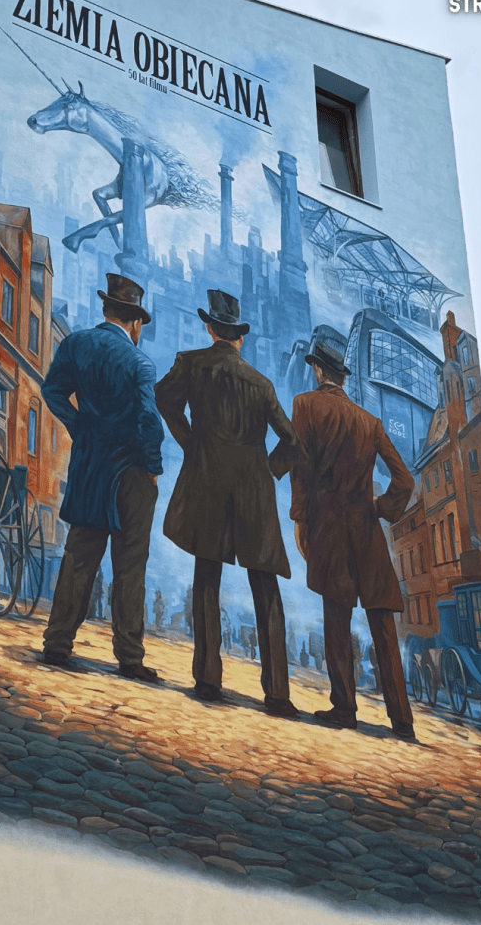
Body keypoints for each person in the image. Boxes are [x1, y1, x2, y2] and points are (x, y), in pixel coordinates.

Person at [155, 289, 299, 718]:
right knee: (266, 585)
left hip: (208, 482)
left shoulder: (191, 363)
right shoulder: (261, 383)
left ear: (210, 329)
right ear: (239, 337)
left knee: (206, 576)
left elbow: (164, 400)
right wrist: (268, 470)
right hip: (255, 490)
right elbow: (291, 442)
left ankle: (207, 678)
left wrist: (192, 443)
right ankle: (277, 693)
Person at [40, 273, 164, 681]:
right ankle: (129, 657)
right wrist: (152, 468)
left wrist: (80, 427)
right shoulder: (139, 362)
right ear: (135, 322)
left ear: (108, 310)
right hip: (130, 472)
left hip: (91, 467)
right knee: (130, 566)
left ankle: (57, 643)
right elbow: (149, 420)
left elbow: (52, 392)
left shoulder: (75, 344)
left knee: (79, 556)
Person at [289, 341, 415, 738]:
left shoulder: (305, 405)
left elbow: (301, 468)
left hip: (329, 530)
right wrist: (380, 508)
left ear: (317, 372)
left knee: (337, 621)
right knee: (383, 627)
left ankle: (344, 709)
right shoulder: (369, 421)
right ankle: (402, 720)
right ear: (342, 377)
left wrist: (299, 517)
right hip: (367, 532)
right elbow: (405, 480)